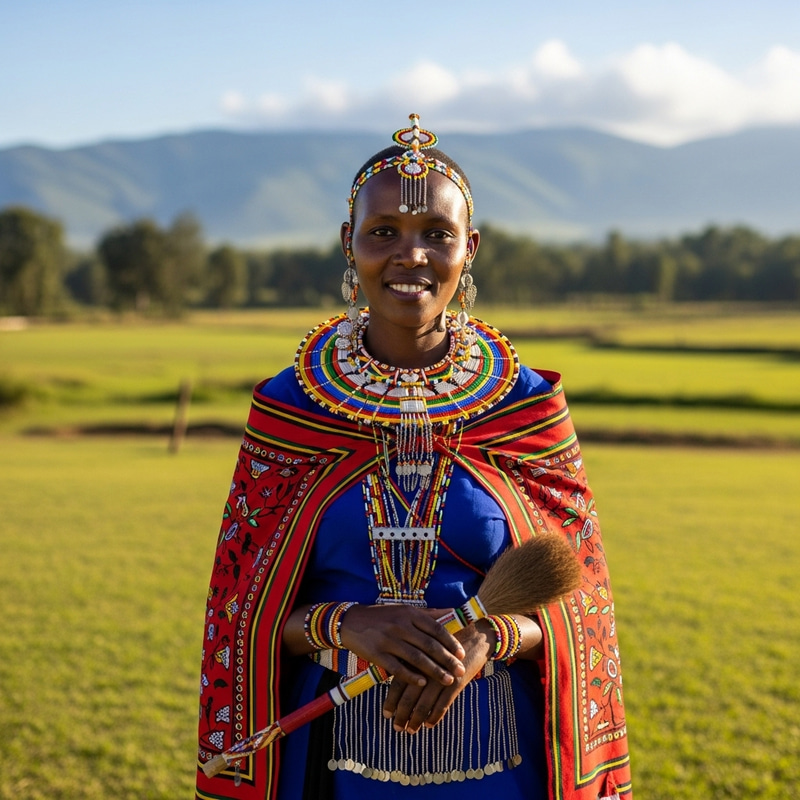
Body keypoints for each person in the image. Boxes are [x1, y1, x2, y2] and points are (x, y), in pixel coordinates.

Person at [196, 114, 632, 800]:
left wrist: (489, 638)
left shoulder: (524, 409)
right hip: (339, 765)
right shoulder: (292, 411)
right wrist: (346, 623)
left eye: (437, 234)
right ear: (349, 244)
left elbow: (582, 609)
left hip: (501, 762)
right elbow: (239, 614)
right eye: (383, 234)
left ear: (471, 248)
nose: (412, 256)